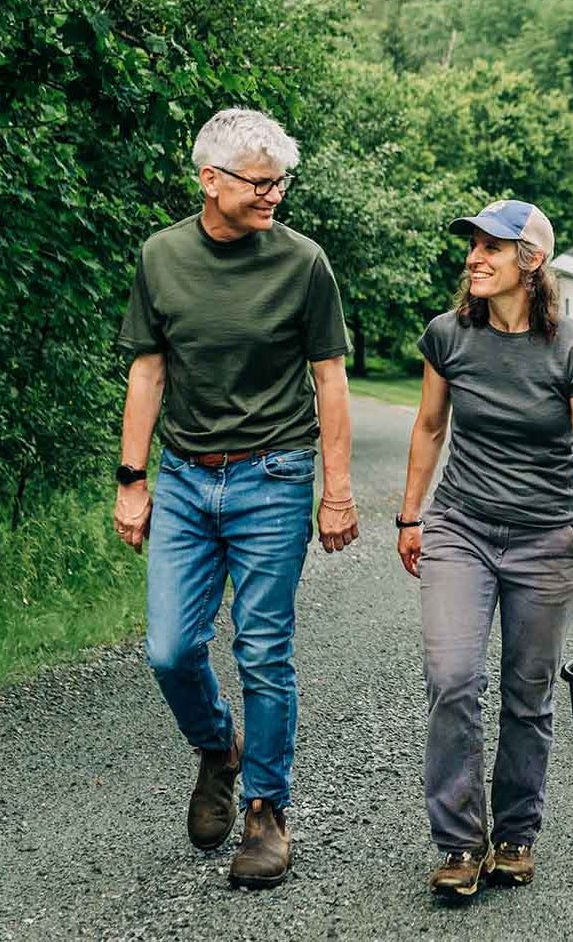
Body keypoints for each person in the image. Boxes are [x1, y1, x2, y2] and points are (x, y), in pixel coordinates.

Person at [113, 107, 359, 890]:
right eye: (260, 181)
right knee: (170, 648)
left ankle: (266, 810)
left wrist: (338, 493)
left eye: (281, 180)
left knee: (263, 649)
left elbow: (330, 379)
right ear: (209, 180)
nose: (275, 194)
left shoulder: (304, 263)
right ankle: (217, 747)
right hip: (186, 478)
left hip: (275, 476)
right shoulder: (162, 256)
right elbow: (148, 372)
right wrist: (132, 478)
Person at [397, 198, 573, 898]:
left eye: (490, 247)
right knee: (452, 679)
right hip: (461, 527)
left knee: (528, 693)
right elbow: (427, 427)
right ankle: (456, 840)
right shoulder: (448, 335)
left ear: (529, 262)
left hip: (547, 541)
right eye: (471, 246)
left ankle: (514, 833)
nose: (473, 257)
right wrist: (409, 516)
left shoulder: (572, 349)